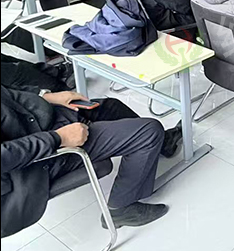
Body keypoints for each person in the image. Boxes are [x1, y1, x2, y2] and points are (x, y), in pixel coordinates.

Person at [1, 77, 185, 237]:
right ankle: (121, 207)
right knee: (148, 133)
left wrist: (48, 97)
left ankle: (163, 145)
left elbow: (7, 94)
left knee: (111, 107)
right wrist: (59, 138)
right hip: (34, 162)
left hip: (39, 124)